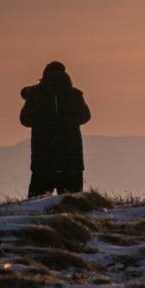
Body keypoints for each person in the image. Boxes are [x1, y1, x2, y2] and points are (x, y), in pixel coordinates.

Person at [20, 61, 92, 198]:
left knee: (35, 206)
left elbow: (25, 120)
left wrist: (42, 120)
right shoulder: (75, 94)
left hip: (42, 161)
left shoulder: (34, 94)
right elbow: (85, 116)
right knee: (72, 204)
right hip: (72, 161)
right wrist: (68, 121)